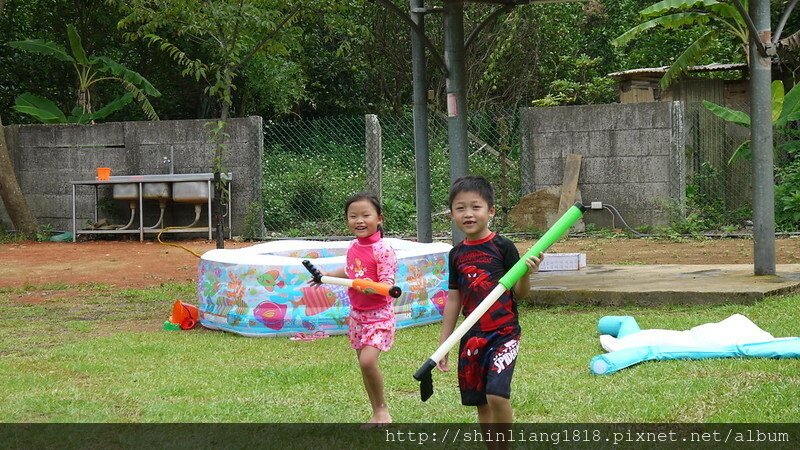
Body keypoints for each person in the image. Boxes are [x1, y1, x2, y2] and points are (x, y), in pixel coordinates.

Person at [438, 175, 542, 445]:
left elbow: (519, 295)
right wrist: (444, 344)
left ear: (491, 211)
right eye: (460, 208)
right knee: (480, 401)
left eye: (476, 206)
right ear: (452, 214)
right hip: (472, 334)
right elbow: (453, 299)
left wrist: (527, 275)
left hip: (504, 332)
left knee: (497, 394)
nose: (468, 214)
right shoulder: (456, 254)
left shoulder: (503, 247)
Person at [310, 192, 397, 425]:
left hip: (379, 316)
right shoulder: (353, 246)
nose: (359, 220)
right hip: (357, 315)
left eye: (365, 215)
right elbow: (351, 271)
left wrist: (374, 288)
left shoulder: (383, 250)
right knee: (364, 366)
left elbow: (388, 284)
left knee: (368, 362)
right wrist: (325, 277)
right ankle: (377, 412)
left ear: (379, 218)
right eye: (353, 216)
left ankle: (383, 410)